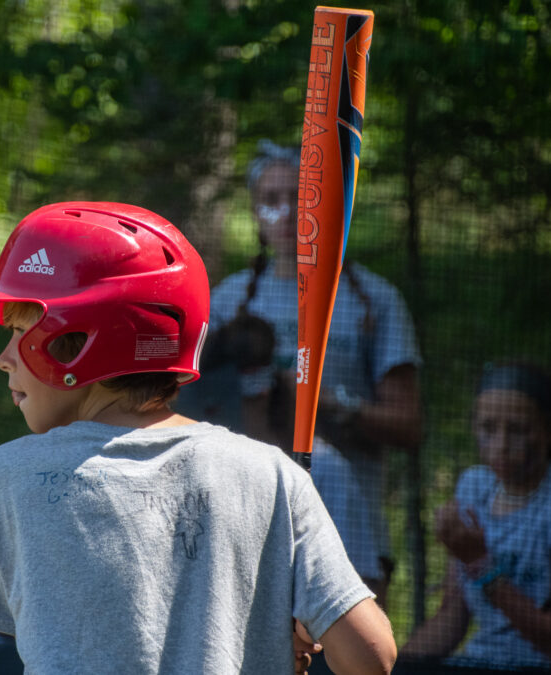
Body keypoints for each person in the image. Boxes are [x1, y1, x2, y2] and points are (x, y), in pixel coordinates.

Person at [0, 201, 396, 674]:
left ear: (84, 337)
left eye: (20, 331)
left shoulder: (8, 476)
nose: (4, 358)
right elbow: (372, 659)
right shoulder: (273, 475)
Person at [179, 139, 424, 607]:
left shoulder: (373, 302)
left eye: (301, 198)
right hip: (248, 522)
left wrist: (327, 405)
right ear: (254, 213)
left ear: (329, 206)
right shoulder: (227, 301)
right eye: (270, 201)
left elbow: (410, 427)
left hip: (350, 526)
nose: (287, 213)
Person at [401, 361, 551, 667]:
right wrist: (390, 667)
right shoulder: (474, 488)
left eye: (518, 430)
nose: (501, 446)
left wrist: (480, 565)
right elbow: (451, 619)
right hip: (485, 661)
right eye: (488, 428)